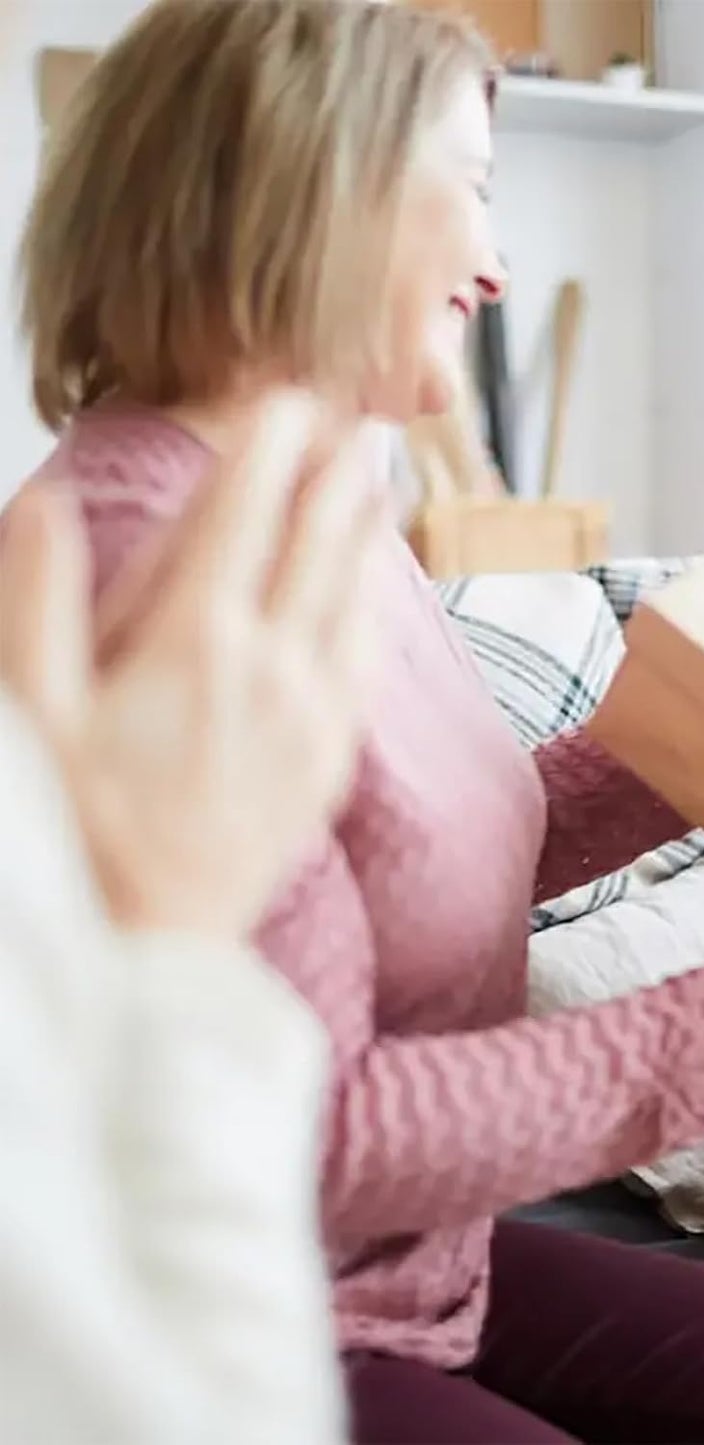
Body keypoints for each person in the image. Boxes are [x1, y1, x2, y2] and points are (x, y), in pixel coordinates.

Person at [13, 3, 704, 1441]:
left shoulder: (326, 504)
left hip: (416, 1269)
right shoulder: (135, 561)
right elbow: (280, 1134)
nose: (496, 262)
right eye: (473, 186)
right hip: (236, 1301)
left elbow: (450, 849)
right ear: (316, 176)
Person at [0, 393, 379, 1443]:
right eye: (469, 215)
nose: (492, 274)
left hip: (411, 1263)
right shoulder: (149, 538)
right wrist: (169, 931)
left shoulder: (320, 556)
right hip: (344, 1285)